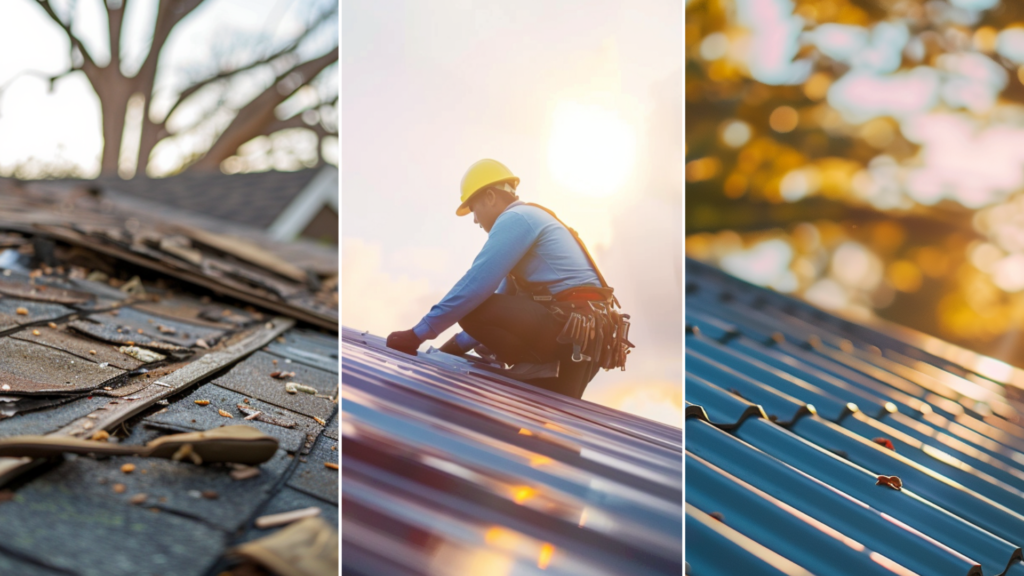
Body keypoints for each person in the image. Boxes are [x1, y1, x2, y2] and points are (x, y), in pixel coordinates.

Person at [386, 159, 632, 399]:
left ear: (491, 197)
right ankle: (538, 366)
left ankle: (534, 362)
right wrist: (453, 347)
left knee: (472, 307)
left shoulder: (516, 218)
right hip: (584, 344)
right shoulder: (532, 222)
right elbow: (502, 301)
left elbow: (475, 288)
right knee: (549, 428)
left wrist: (417, 334)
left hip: (568, 331)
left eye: (474, 209)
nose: (474, 220)